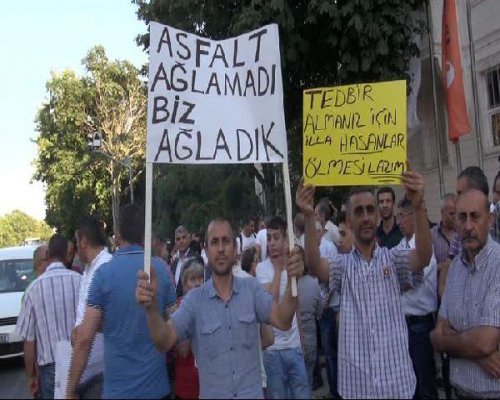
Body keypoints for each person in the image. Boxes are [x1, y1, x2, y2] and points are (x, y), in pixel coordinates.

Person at [296, 170, 433, 399]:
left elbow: (423, 257)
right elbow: (315, 265)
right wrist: (309, 216)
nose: (367, 217)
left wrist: (418, 206)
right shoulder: (342, 266)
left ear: (378, 216)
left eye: (371, 210)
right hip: (357, 387)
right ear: (349, 220)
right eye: (359, 211)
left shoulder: (393, 258)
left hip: (397, 385)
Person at [136, 217, 304, 399]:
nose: (221, 248)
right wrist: (152, 310)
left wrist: (293, 280)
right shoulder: (194, 301)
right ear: (206, 250)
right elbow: (164, 341)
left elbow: (283, 320)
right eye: (214, 242)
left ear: (235, 248)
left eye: (226, 241)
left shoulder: (252, 290)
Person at [66, 204, 177, 399]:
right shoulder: (161, 269)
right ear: (145, 233)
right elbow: (177, 324)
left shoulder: (103, 275)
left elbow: (84, 338)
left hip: (118, 392)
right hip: (157, 389)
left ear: (117, 235)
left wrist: (69, 390)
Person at [430, 188, 500, 399]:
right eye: (462, 217)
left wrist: (449, 339)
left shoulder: (498, 265)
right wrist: (479, 355)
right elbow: (436, 335)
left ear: (489, 219)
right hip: (460, 392)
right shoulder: (455, 270)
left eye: (475, 217)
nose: (468, 226)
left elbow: (484, 342)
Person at [16, 234, 81, 399]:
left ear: (48, 255)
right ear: (67, 252)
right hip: (80, 361)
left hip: (50, 370)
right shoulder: (80, 281)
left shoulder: (33, 289)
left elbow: (29, 342)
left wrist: (31, 376)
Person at [255, 217, 310, 399]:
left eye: (276, 237)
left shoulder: (293, 265)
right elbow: (269, 302)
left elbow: (296, 304)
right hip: (273, 350)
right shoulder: (261, 269)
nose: (271, 243)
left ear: (285, 240)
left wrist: (301, 340)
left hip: (294, 347)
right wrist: (279, 270)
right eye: (269, 238)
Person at [396, 197, 439, 399]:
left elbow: (411, 282)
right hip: (404, 325)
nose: (398, 221)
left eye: (402, 216)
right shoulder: (399, 246)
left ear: (413, 216)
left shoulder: (424, 246)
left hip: (421, 325)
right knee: (409, 383)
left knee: (425, 384)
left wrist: (396, 283)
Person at [71, 215, 112, 398]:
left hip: (101, 372)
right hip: (88, 369)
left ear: (84, 241)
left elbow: (112, 318)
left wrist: (86, 328)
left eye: (76, 240)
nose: (74, 246)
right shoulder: (89, 269)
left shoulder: (106, 267)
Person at [175, 259, 204, 400]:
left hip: (208, 385)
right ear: (185, 284)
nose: (198, 283)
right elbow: (183, 350)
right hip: (187, 386)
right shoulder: (180, 308)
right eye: (193, 279)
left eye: (200, 278)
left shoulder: (209, 305)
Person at [297, 248, 324, 393]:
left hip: (293, 341)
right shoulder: (313, 284)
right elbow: (319, 311)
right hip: (309, 340)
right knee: (307, 382)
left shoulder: (286, 284)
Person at [172, 225, 196, 297]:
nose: (181, 241)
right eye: (178, 239)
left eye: (184, 237)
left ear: (188, 239)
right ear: (175, 242)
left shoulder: (195, 259)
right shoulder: (174, 262)